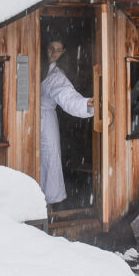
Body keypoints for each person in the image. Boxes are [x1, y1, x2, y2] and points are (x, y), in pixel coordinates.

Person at [40, 39, 94, 205]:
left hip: (45, 121)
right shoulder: (34, 65)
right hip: (24, 120)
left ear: (63, 52)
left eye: (58, 50)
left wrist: (85, 104)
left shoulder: (56, 76)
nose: (53, 53)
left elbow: (67, 96)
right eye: (51, 48)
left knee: (48, 159)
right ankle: (32, 200)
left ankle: (47, 202)